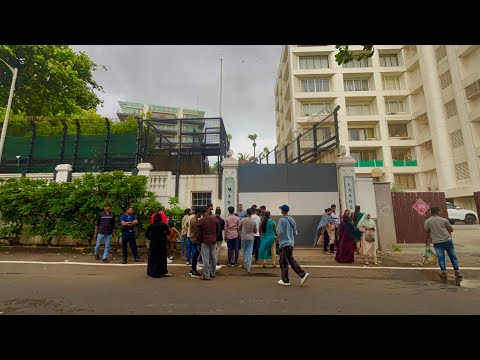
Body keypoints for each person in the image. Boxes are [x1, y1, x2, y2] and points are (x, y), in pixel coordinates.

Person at [425, 207, 462, 280]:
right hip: (447, 240)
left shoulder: (427, 221)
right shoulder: (444, 220)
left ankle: (444, 273)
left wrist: (427, 241)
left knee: (441, 257)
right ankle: (457, 272)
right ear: (438, 212)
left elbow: (427, 231)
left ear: (431, 212)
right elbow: (451, 230)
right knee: (453, 256)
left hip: (437, 242)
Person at [276, 205, 309, 286]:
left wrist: (278, 237)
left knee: (283, 262)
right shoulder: (292, 219)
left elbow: (279, 232)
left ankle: (289, 279)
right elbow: (295, 231)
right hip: (291, 243)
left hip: (284, 243)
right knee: (290, 260)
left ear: (282, 211)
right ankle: (299, 275)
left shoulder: (282, 220)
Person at [145, 214, 172, 278]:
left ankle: (152, 272)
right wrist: (163, 235)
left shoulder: (151, 225)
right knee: (162, 258)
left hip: (154, 243)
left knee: (153, 258)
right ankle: (163, 272)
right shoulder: (163, 224)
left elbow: (146, 234)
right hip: (162, 243)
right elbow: (168, 232)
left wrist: (151, 238)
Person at [198, 207, 221, 280]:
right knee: (213, 257)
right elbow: (219, 228)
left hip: (205, 241)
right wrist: (215, 235)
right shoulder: (214, 218)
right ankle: (213, 273)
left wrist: (198, 243)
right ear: (207, 211)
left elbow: (199, 233)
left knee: (206, 258)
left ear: (201, 213)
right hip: (213, 240)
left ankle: (206, 275)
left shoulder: (201, 220)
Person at [238, 208, 257, 273]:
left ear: (246, 213)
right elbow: (255, 230)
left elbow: (239, 228)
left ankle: (245, 264)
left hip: (243, 237)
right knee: (249, 252)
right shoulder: (253, 221)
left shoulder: (243, 220)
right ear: (251, 213)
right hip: (251, 238)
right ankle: (248, 266)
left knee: (244, 251)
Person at [189, 208, 203, 278]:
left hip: (192, 238)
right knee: (195, 255)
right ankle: (194, 269)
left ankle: (192, 268)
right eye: (200, 213)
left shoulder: (193, 219)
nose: (201, 215)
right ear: (198, 213)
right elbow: (197, 232)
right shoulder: (195, 221)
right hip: (195, 239)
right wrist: (199, 242)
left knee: (194, 254)